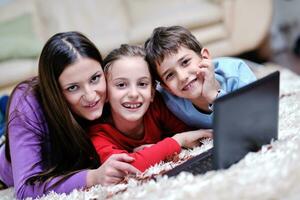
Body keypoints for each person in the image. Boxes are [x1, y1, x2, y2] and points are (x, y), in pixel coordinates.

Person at [0, 32, 140, 199]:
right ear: (56, 92)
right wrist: (92, 177)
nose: (90, 96)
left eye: (95, 78)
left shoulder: (111, 86)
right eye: (73, 87)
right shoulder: (27, 106)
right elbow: (25, 189)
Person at [89, 44, 212, 172]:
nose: (133, 94)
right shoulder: (98, 133)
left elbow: (194, 137)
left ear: (152, 92)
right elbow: (125, 169)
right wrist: (178, 140)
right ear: (106, 93)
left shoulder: (156, 106)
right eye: (121, 85)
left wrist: (155, 149)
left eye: (142, 84)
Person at [144, 25, 257, 128]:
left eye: (185, 62)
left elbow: (255, 118)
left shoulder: (237, 74)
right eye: (170, 75)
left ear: (205, 57)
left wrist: (214, 95)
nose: (182, 77)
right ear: (167, 87)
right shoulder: (167, 99)